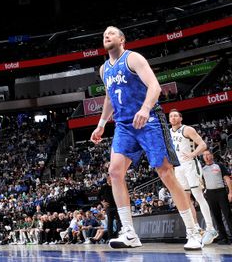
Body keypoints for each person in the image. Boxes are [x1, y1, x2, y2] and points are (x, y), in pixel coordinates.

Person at [90, 26, 203, 250]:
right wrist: (101, 124)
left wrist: (144, 108)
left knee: (165, 173)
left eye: (111, 33)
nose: (106, 35)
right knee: (114, 172)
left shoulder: (133, 58)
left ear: (122, 39)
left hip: (149, 120)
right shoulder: (104, 69)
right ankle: (130, 233)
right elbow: (110, 98)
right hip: (123, 125)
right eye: (104, 34)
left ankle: (193, 231)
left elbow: (155, 86)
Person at [169, 109, 217, 244]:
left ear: (181, 118)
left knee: (198, 196)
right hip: (178, 168)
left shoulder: (187, 129)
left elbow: (203, 144)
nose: (173, 118)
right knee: (185, 200)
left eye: (175, 116)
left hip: (190, 165)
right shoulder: (168, 132)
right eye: (171, 116)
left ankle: (210, 228)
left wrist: (193, 154)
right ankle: (195, 228)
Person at [202, 150, 232, 245]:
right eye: (204, 155)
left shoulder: (219, 165)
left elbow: (227, 179)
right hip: (210, 194)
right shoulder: (202, 169)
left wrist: (230, 192)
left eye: (207, 154)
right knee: (216, 216)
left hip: (221, 192)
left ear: (212, 155)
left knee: (228, 215)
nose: (206, 156)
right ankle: (223, 238)